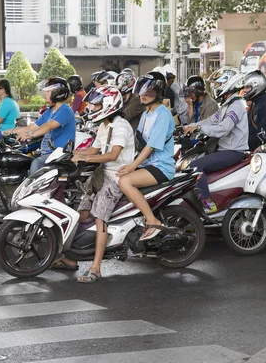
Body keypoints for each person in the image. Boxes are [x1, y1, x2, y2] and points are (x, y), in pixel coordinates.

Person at [52, 86, 135, 283]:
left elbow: (113, 155)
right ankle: (71, 259)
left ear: (109, 105)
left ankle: (96, 267)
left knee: (100, 218)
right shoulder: (104, 125)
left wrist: (84, 159)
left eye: (96, 104)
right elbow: (95, 149)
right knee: (81, 214)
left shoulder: (121, 126)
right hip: (101, 174)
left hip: (115, 178)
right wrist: (73, 155)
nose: (91, 107)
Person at [117, 71, 175, 241]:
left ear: (158, 93)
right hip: (148, 165)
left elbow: (150, 147)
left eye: (149, 91)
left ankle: (152, 220)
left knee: (125, 181)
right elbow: (139, 142)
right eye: (142, 91)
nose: (143, 95)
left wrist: (132, 167)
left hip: (161, 166)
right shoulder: (145, 114)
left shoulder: (163, 115)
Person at [184, 73, 249, 214]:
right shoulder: (227, 105)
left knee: (196, 165)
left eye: (219, 84)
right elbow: (210, 120)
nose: (217, 87)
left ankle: (208, 203)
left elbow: (223, 129)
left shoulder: (236, 105)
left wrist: (199, 128)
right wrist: (191, 126)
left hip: (233, 151)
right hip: (224, 149)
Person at [10, 77, 75, 174]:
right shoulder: (50, 111)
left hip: (59, 155)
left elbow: (49, 126)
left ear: (57, 93)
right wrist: (6, 132)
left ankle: (31, 189)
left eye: (48, 91)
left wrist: (30, 135)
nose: (45, 94)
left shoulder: (65, 110)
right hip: (47, 153)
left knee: (36, 163)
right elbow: (31, 127)